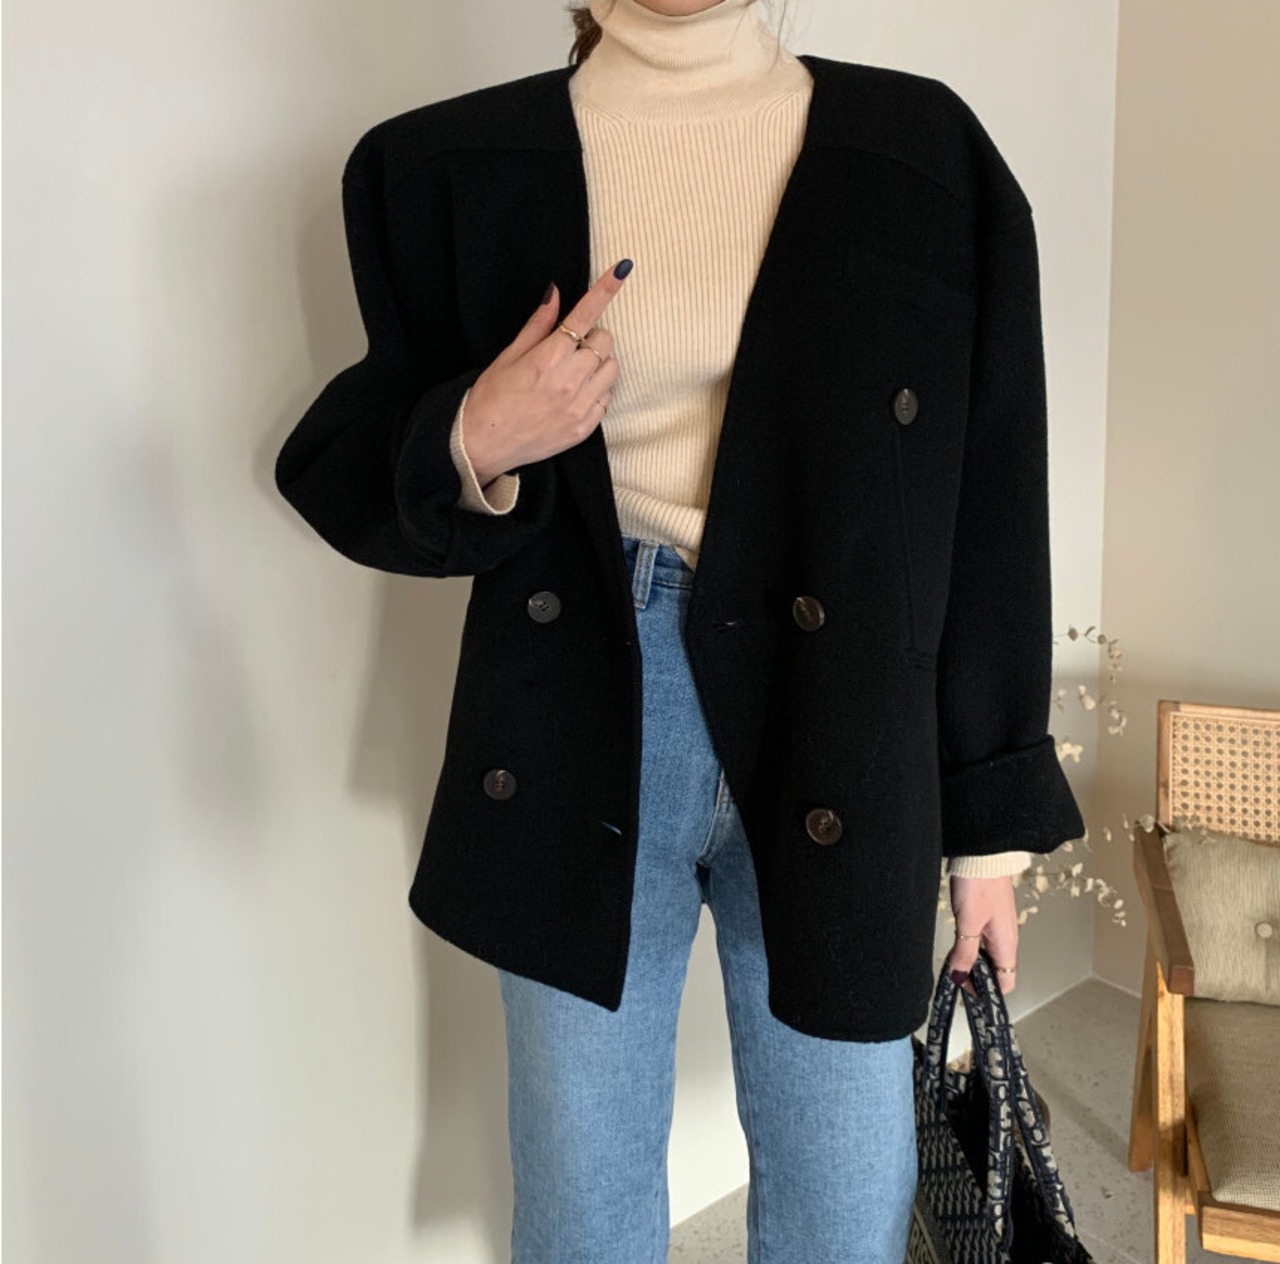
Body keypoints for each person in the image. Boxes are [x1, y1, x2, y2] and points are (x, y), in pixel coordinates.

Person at [276, 1, 1073, 1259]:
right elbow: (338, 464)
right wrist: (475, 432)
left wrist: (987, 831)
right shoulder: (444, 170)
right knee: (580, 1200)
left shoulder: (921, 155)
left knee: (843, 1197)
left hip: (841, 709)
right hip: (580, 702)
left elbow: (989, 490)